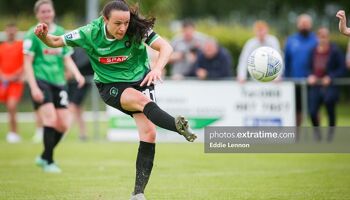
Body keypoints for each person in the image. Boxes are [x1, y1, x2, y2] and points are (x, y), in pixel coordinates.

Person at [33, 0, 197, 199]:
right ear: (105, 20)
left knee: (149, 134)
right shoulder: (89, 33)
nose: (123, 28)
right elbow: (56, 41)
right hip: (111, 85)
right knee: (142, 102)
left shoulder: (136, 29)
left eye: (126, 22)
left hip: (142, 79)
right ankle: (177, 126)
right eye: (118, 23)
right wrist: (43, 36)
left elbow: (166, 47)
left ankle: (138, 194)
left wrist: (157, 68)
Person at [23, 0, 85, 173]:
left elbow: (66, 57)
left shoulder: (59, 33)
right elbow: (27, 63)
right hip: (41, 81)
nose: (46, 14)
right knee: (49, 119)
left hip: (60, 83)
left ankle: (43, 156)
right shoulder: (31, 34)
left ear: (53, 12)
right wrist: (33, 87)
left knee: (65, 124)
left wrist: (77, 74)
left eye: (48, 11)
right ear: (37, 14)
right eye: (42, 12)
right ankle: (49, 161)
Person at [307, 27, 345, 141]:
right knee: (312, 111)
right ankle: (317, 133)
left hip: (329, 86)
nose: (323, 39)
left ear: (328, 37)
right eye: (320, 36)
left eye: (325, 36)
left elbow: (342, 68)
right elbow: (308, 68)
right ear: (317, 37)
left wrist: (331, 77)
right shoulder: (313, 50)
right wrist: (310, 76)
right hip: (316, 85)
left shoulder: (335, 51)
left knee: (330, 109)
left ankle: (330, 135)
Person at [284, 14, 318, 127]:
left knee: (314, 110)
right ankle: (296, 137)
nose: (304, 26)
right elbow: (287, 61)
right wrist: (286, 78)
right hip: (295, 82)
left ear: (310, 25)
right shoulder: (291, 40)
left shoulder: (316, 40)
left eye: (306, 24)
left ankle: (318, 136)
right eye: (302, 24)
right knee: (296, 111)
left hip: (313, 82)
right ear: (298, 25)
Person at [0, 23, 24, 143]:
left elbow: (25, 63)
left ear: (16, 31)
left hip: (16, 83)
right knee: (9, 109)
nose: (11, 33)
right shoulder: (2, 47)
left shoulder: (21, 45)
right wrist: (3, 76)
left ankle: (14, 133)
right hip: (3, 83)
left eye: (13, 31)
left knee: (12, 106)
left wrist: (15, 75)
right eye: (9, 31)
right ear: (5, 31)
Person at [67, 47, 94, 141]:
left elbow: (84, 63)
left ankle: (62, 132)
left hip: (83, 81)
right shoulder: (74, 47)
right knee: (78, 109)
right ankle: (83, 133)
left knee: (72, 106)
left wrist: (73, 71)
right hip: (72, 82)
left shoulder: (89, 48)